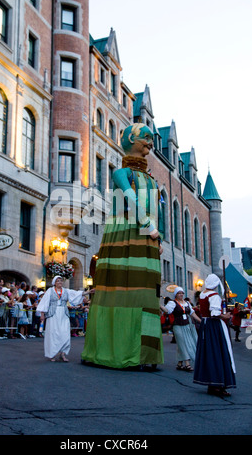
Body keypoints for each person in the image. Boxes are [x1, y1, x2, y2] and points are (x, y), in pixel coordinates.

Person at [81, 123, 164, 369]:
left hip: (145, 236)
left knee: (147, 292)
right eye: (145, 138)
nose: (150, 142)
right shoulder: (122, 173)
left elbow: (154, 209)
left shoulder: (150, 178)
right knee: (123, 288)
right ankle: (121, 351)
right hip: (127, 231)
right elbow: (130, 198)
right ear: (130, 138)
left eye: (151, 138)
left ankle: (144, 354)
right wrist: (150, 227)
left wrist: (157, 236)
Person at [193, 274, 236, 397]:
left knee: (209, 353)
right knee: (219, 353)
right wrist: (225, 316)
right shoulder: (214, 295)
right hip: (214, 326)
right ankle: (218, 384)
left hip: (205, 325)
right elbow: (215, 313)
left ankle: (212, 383)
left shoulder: (202, 294)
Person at [37, 276, 94, 362]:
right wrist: (42, 314)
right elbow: (44, 302)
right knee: (53, 334)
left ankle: (63, 354)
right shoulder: (50, 291)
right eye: (58, 281)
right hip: (53, 314)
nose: (60, 282)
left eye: (61, 281)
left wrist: (88, 292)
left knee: (65, 333)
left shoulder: (66, 291)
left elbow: (76, 294)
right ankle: (52, 354)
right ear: (54, 283)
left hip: (63, 314)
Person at [160, 287, 201, 371]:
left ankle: (179, 363)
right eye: (179, 293)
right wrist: (160, 305)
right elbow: (167, 311)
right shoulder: (172, 303)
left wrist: (201, 321)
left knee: (180, 344)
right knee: (183, 343)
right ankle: (187, 363)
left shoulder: (187, 303)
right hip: (177, 325)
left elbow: (192, 314)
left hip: (187, 325)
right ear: (175, 294)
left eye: (182, 293)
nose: (181, 294)